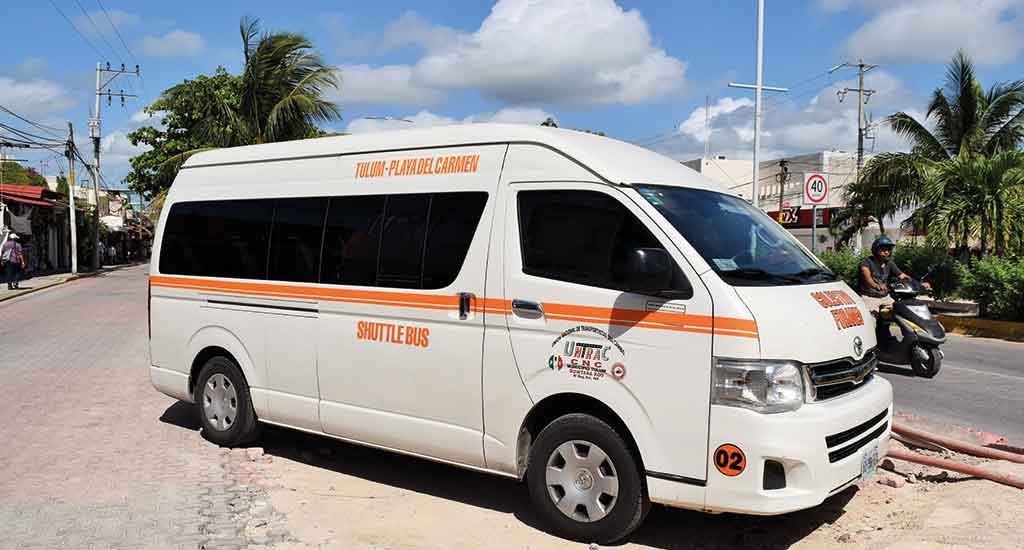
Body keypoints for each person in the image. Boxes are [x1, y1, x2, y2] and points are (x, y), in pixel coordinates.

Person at [857, 235, 929, 313]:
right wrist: (876, 286)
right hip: (869, 297)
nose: (887, 252)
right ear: (875, 250)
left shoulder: (889, 263)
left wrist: (918, 284)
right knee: (872, 318)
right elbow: (868, 278)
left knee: (901, 312)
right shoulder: (866, 262)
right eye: (883, 249)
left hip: (885, 297)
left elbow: (903, 276)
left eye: (888, 249)